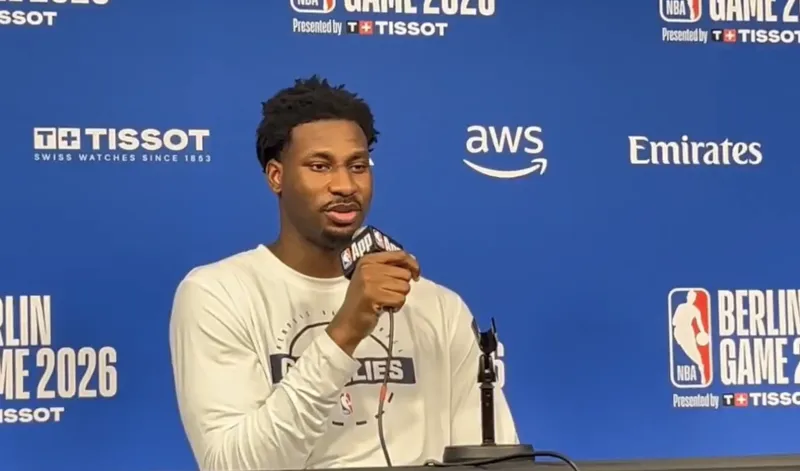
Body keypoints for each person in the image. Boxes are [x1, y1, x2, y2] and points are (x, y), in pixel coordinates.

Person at [169, 75, 519, 471]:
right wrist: (344, 332)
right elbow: (233, 465)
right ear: (276, 176)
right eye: (320, 166)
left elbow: (496, 461)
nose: (345, 185)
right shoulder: (218, 294)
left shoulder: (437, 307)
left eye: (358, 166)